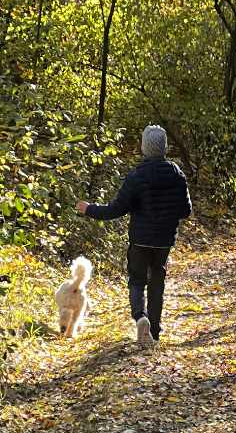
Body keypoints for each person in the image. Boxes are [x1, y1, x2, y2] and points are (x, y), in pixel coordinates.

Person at [77, 125, 192, 350]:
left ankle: (141, 318)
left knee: (137, 281)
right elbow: (185, 211)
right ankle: (155, 334)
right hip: (164, 241)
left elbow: (116, 209)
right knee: (157, 283)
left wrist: (89, 209)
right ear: (164, 147)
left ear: (144, 147)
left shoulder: (137, 175)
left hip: (140, 239)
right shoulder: (177, 173)